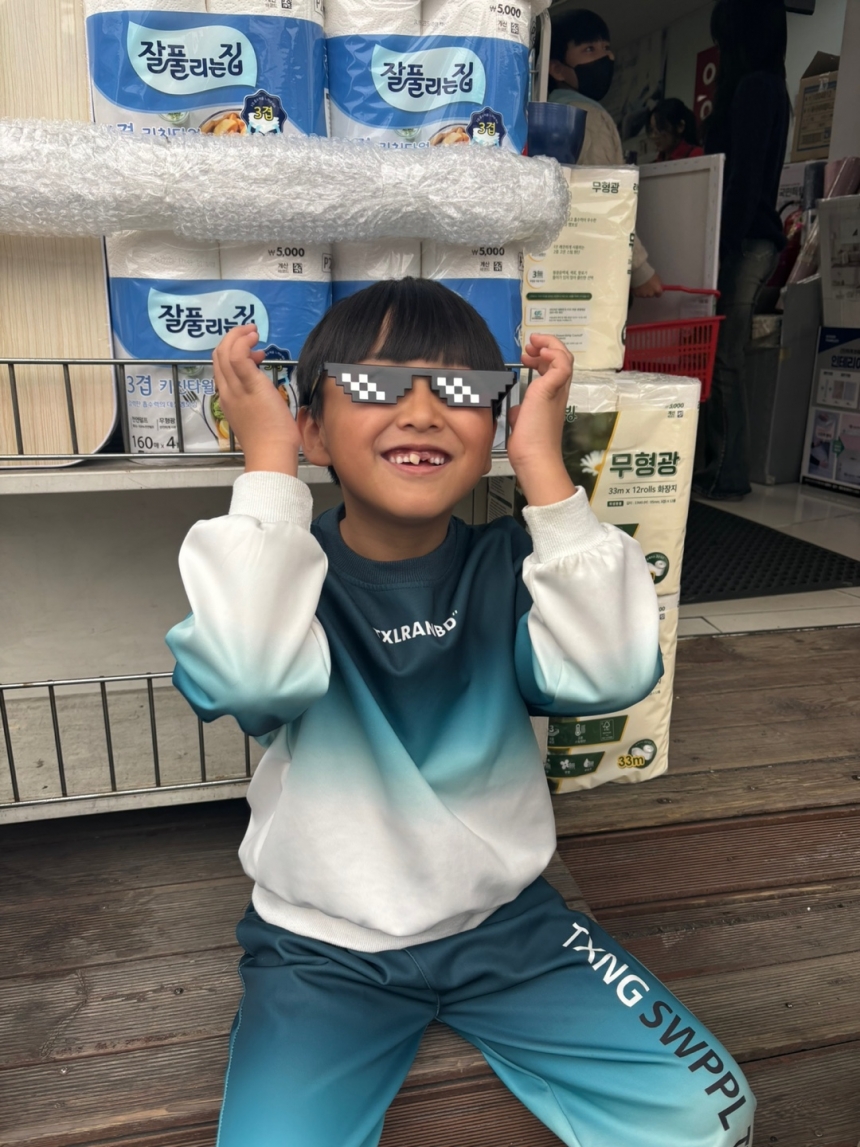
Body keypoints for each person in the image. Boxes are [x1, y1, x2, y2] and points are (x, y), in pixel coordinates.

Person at [166, 278, 755, 1147]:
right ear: (312, 427)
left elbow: (614, 673)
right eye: (374, 383)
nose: (422, 410)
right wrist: (266, 472)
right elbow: (249, 678)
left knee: (716, 1111)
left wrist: (544, 468)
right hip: (320, 953)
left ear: (496, 421)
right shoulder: (283, 576)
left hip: (511, 929)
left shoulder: (516, 568)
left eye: (462, 388)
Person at [695, 0, 791, 499]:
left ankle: (729, 473)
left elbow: (743, 181)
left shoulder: (754, 87)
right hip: (752, 238)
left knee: (724, 359)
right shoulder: (771, 87)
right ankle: (719, 466)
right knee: (722, 358)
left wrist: (721, 245)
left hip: (745, 241)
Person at [548, 8, 663, 299]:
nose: (606, 58)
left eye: (606, 48)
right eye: (589, 49)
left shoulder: (549, 112)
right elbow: (605, 200)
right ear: (557, 69)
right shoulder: (588, 116)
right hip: (589, 272)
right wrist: (640, 270)